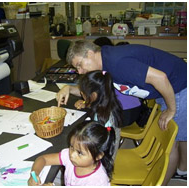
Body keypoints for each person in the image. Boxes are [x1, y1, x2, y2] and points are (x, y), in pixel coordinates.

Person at [56, 40, 187, 185]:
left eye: (79, 65)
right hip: (167, 89)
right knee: (180, 135)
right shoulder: (104, 62)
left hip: (179, 87)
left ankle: (177, 174)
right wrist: (68, 88)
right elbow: (91, 93)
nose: (79, 71)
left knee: (171, 143)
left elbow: (160, 78)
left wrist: (171, 109)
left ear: (90, 54)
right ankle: (182, 169)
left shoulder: (117, 63)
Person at [28, 121, 116, 186]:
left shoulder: (97, 181)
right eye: (71, 147)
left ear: (98, 156)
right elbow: (43, 159)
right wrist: (34, 174)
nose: (72, 155)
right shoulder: (70, 156)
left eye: (80, 153)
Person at [74, 70, 122, 159]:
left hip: (102, 159)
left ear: (94, 96)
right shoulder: (108, 104)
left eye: (83, 93)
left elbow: (95, 150)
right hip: (104, 151)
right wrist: (87, 102)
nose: (81, 93)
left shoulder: (103, 120)